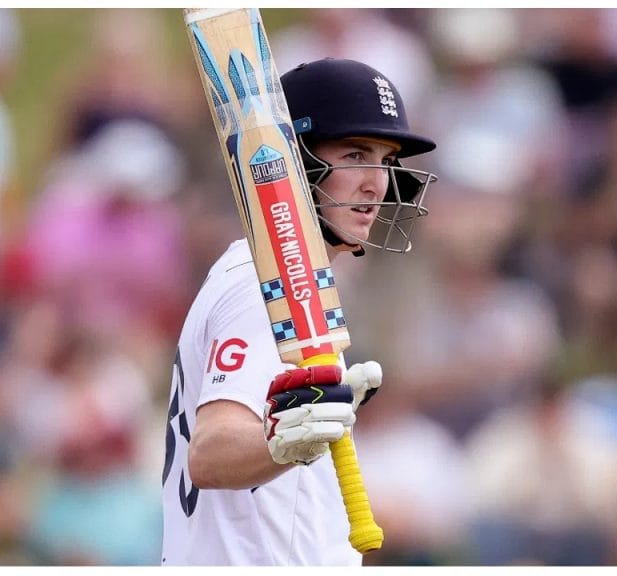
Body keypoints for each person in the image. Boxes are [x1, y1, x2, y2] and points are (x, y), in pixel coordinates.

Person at [161, 58, 438, 566]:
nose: (377, 183)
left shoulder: (285, 277)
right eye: (356, 155)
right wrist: (285, 443)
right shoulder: (262, 282)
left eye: (386, 160)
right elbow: (211, 452)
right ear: (296, 161)